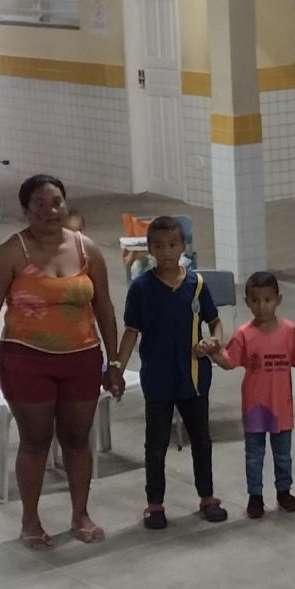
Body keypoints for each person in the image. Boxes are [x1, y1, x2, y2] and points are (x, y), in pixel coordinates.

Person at [0, 174, 124, 550]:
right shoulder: (10, 254)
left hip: (82, 358)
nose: (51, 210)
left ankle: (81, 513)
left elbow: (105, 308)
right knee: (35, 441)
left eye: (57, 202)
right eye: (41, 204)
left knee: (78, 440)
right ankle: (30, 519)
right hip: (26, 362)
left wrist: (113, 362)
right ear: (25, 210)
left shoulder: (87, 250)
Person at [115, 217, 227, 530]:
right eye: (159, 246)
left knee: (202, 440)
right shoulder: (141, 288)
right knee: (156, 443)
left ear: (184, 247)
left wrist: (215, 340)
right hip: (159, 378)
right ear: (149, 249)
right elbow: (130, 332)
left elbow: (215, 321)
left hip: (193, 378)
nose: (167, 251)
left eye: (173, 245)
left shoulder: (197, 284)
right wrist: (117, 369)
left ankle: (207, 497)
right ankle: (155, 504)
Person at [215, 271, 295, 518]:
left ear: (278, 299)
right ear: (247, 302)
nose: (262, 306)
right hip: (255, 407)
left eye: (267, 300)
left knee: (282, 455)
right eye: (255, 301)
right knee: (254, 455)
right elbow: (228, 361)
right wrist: (211, 351)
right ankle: (255, 496)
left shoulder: (288, 331)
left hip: (281, 408)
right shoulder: (244, 334)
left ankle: (284, 491)